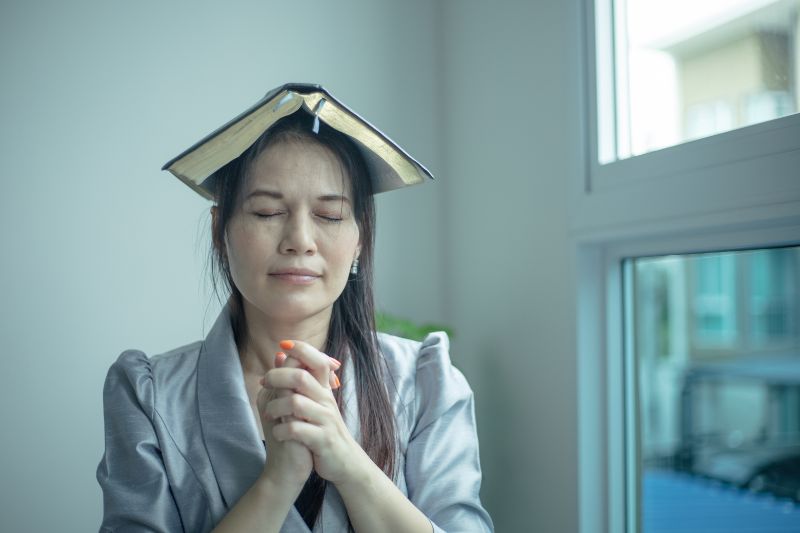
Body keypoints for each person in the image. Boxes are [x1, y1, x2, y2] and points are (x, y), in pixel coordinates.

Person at [97, 84, 493, 532]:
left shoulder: (426, 382)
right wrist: (277, 481)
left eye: (328, 216)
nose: (300, 241)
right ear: (218, 233)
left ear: (360, 237)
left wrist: (347, 461)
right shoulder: (148, 395)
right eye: (267, 212)